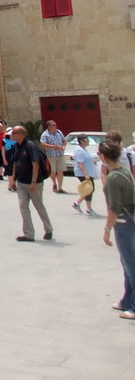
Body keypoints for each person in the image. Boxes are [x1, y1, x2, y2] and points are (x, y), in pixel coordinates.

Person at [99, 140, 135, 319]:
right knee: (127, 264)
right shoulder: (125, 172)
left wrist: (107, 230)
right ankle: (127, 300)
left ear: (103, 156)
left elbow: (114, 208)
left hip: (123, 223)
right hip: (130, 220)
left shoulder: (113, 177)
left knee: (131, 266)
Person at [8, 125, 53, 242]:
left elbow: (35, 164)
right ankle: (28, 234)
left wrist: (33, 182)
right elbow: (14, 163)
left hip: (34, 183)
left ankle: (48, 229)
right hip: (21, 182)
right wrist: (12, 179)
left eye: (14, 132)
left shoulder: (30, 146)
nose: (11, 135)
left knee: (39, 206)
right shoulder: (16, 146)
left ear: (21, 134)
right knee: (23, 207)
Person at [71, 134, 99, 216]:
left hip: (87, 173)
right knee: (89, 189)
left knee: (89, 189)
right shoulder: (80, 150)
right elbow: (80, 163)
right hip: (83, 173)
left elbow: (85, 159)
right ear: (82, 141)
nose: (88, 141)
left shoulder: (83, 149)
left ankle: (77, 203)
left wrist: (92, 162)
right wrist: (86, 174)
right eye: (87, 140)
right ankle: (89, 209)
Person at [40, 120, 66, 193]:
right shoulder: (45, 135)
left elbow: (64, 141)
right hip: (51, 155)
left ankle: (60, 188)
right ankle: (54, 183)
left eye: (56, 125)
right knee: (53, 171)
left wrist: (63, 146)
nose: (56, 126)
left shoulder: (59, 132)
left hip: (60, 155)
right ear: (49, 127)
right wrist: (55, 147)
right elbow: (43, 144)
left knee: (60, 171)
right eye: (54, 125)